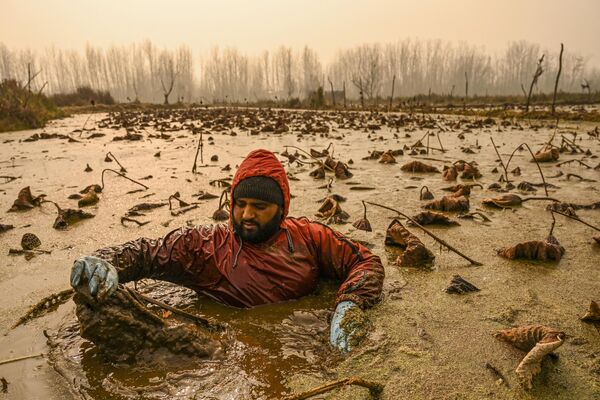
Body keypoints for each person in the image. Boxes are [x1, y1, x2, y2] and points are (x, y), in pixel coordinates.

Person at [70, 149, 385, 352]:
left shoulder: (309, 236)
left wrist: (350, 304)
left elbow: (365, 261)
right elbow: (148, 252)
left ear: (282, 209)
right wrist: (105, 261)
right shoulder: (206, 246)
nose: (247, 215)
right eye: (240, 204)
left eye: (260, 206)